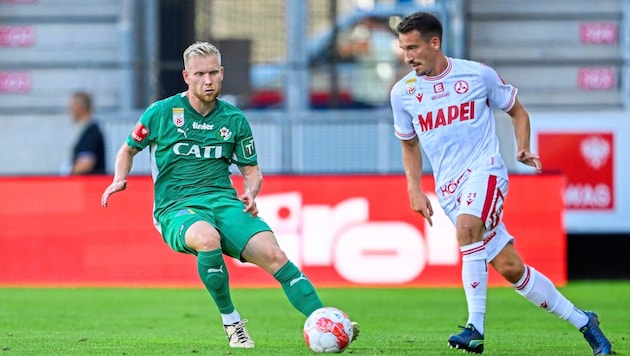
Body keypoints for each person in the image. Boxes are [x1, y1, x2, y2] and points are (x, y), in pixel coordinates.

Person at [100, 41, 359, 349]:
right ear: (186, 76)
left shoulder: (233, 120)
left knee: (275, 255)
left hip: (225, 203)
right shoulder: (162, 113)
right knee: (207, 238)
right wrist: (120, 177)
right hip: (177, 207)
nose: (207, 81)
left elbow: (251, 170)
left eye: (212, 73)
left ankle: (326, 323)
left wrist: (250, 192)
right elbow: (129, 148)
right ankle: (232, 323)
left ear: (222, 73)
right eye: (199, 74)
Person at [390, 12, 612, 355]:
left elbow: (518, 111)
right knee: (511, 269)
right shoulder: (402, 94)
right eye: (404, 48)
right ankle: (585, 321)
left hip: (486, 170)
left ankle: (474, 328)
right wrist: (413, 188)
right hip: (450, 189)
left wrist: (522, 146)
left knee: (467, 229)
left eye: (413, 47)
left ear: (435, 43)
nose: (408, 56)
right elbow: (409, 144)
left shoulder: (477, 75)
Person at [67, 91, 106, 175]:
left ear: (80, 107)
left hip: (90, 185)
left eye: (72, 106)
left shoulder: (91, 132)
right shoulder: (90, 130)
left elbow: (85, 163)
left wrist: (69, 175)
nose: (70, 110)